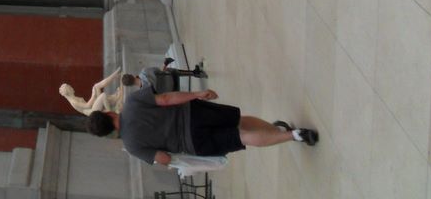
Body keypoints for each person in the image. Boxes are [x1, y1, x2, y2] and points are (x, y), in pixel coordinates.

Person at [86, 86, 318, 165]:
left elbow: (164, 158)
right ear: (107, 112)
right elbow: (166, 99)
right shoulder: (132, 102)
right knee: (239, 121)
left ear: (109, 133)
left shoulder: (132, 146)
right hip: (194, 114)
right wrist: (197, 94)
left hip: (193, 143)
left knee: (241, 137)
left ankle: (294, 135)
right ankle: (279, 131)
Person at [59, 68, 123, 115]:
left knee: (96, 86)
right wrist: (93, 95)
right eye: (70, 87)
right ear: (68, 92)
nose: (72, 88)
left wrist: (94, 95)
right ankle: (110, 112)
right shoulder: (73, 102)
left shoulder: (74, 98)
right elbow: (88, 106)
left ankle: (115, 76)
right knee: (103, 96)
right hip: (93, 111)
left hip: (93, 107)